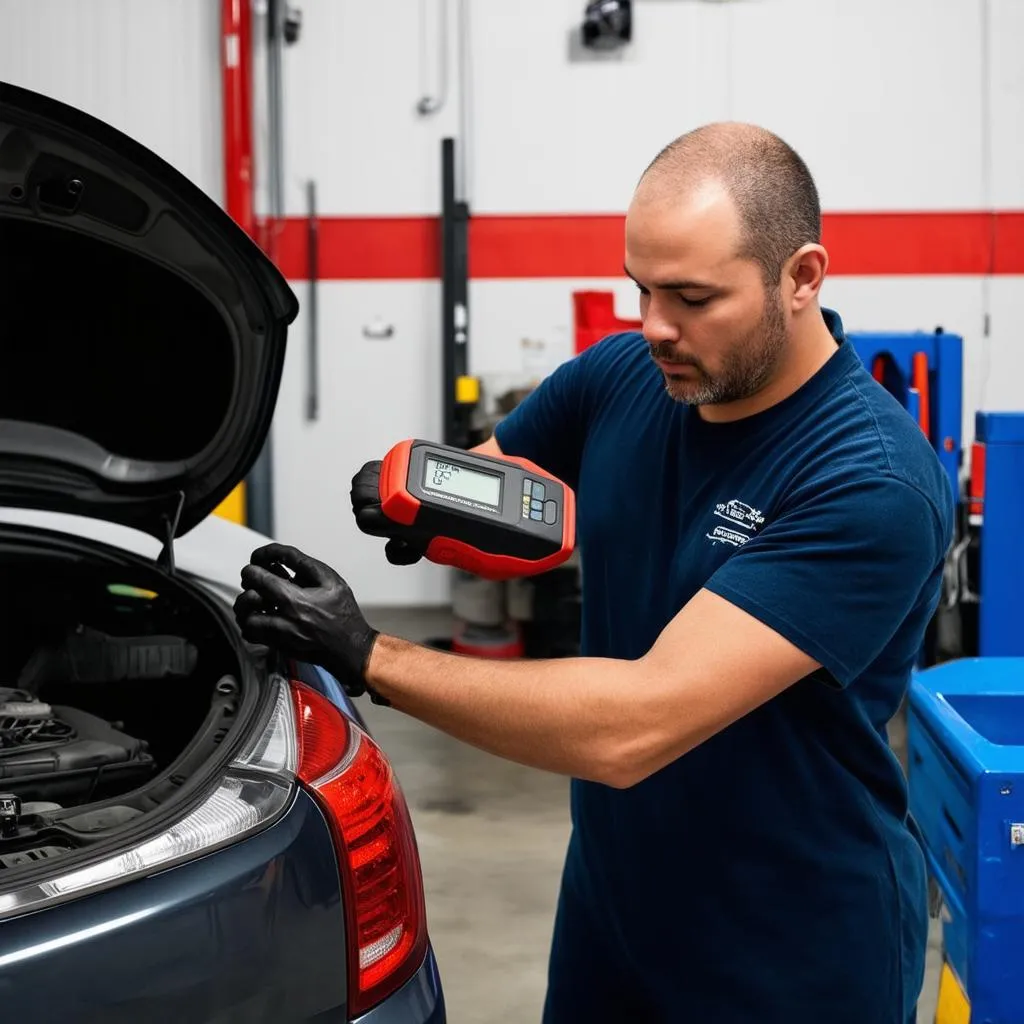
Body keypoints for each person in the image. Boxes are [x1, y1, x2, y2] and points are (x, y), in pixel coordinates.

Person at [234, 123, 954, 1023]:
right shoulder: (624, 376)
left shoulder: (866, 480)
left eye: (692, 297)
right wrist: (426, 518)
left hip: (791, 944)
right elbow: (507, 494)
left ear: (802, 278)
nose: (655, 327)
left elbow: (637, 724)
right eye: (641, 288)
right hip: (616, 911)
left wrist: (368, 654)